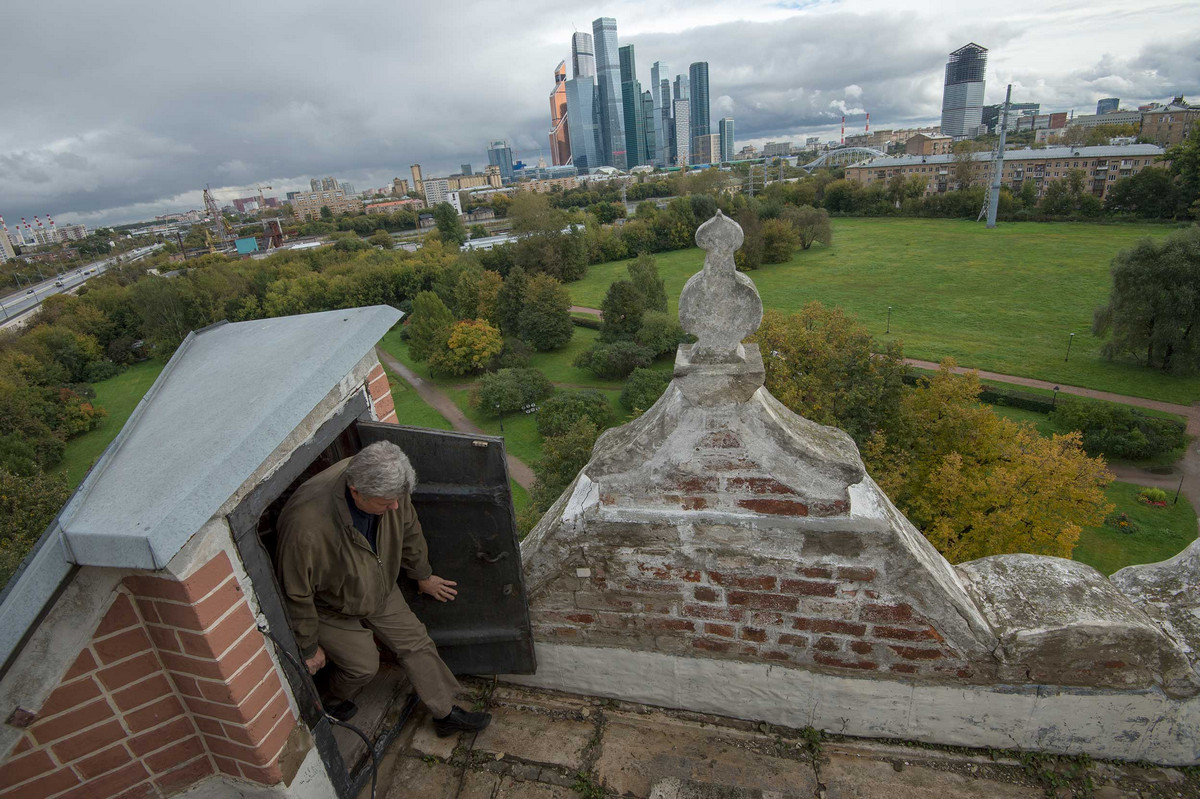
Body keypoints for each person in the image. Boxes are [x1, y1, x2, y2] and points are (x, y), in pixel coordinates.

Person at [275, 440, 491, 736]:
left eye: (398, 498)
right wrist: (308, 646)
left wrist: (422, 575)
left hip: (379, 586)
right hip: (330, 606)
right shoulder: (306, 527)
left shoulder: (389, 485)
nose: (395, 506)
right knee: (363, 666)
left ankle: (445, 714)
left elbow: (410, 529)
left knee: (417, 643)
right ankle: (330, 699)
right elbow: (295, 593)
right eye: (387, 502)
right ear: (356, 492)